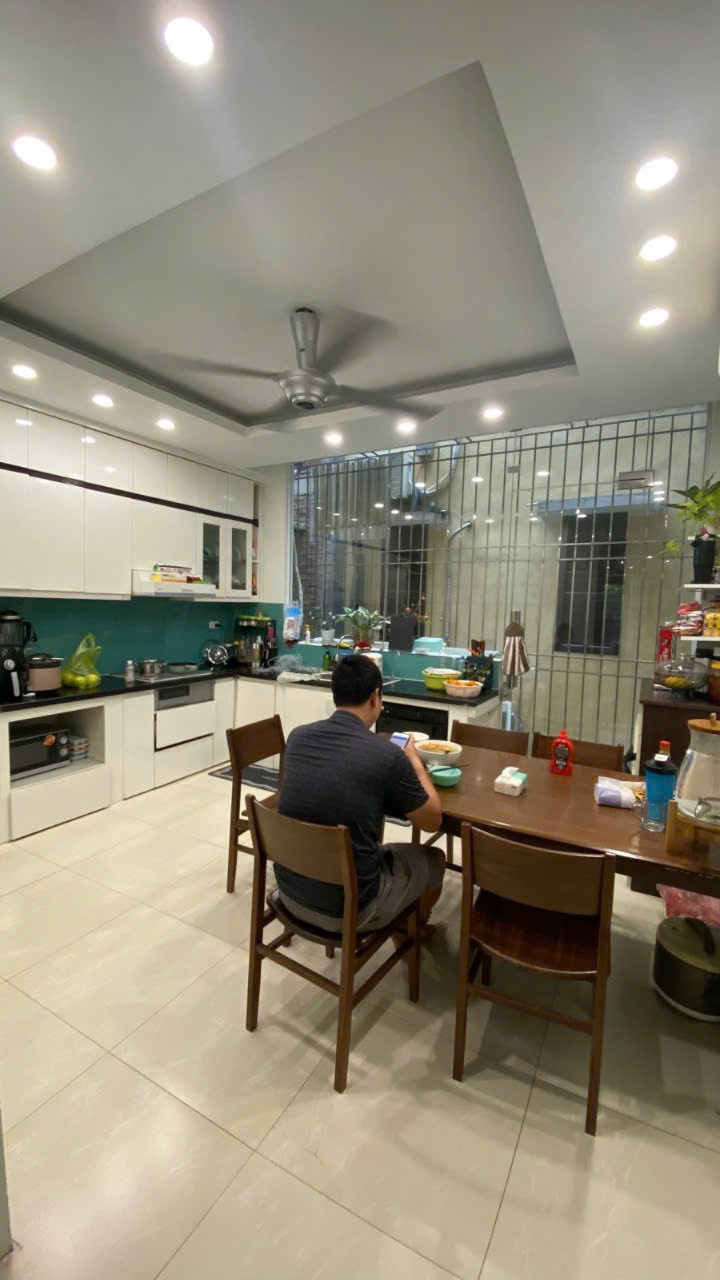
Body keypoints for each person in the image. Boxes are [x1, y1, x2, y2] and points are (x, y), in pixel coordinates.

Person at [276, 653, 445, 931]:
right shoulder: (387, 755)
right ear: (376, 697)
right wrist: (414, 760)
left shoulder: (297, 737)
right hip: (350, 909)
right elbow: (432, 821)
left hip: (289, 893)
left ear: (335, 695)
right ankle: (409, 932)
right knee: (435, 859)